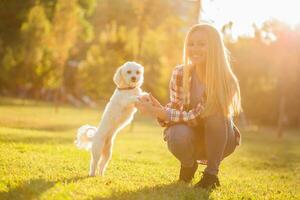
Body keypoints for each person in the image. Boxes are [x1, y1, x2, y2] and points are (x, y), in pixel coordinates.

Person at [135, 23, 242, 189]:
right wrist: (159, 110)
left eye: (201, 44)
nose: (194, 48)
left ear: (214, 48)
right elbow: (177, 110)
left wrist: (162, 113)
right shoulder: (180, 73)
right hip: (192, 136)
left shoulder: (226, 80)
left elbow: (199, 114)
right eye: (191, 44)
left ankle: (211, 175)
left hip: (220, 141)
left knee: (215, 115)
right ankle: (188, 165)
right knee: (176, 133)